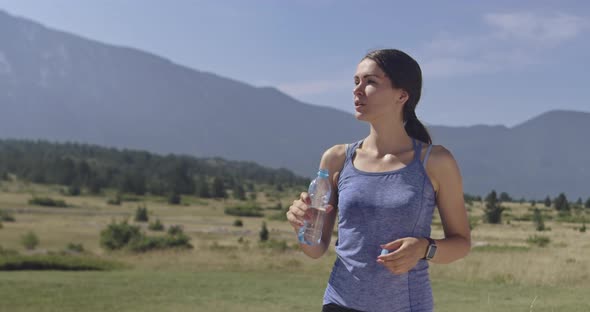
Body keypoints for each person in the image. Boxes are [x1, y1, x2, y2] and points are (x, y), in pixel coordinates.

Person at [287, 49, 471, 312]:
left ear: (402, 95)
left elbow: (461, 243)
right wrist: (302, 228)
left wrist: (423, 248)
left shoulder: (436, 161)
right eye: (356, 82)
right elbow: (315, 250)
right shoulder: (337, 159)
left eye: (370, 82)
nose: (358, 90)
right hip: (339, 303)